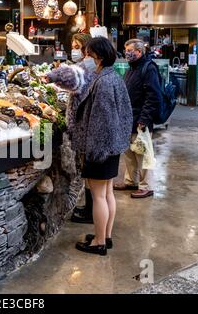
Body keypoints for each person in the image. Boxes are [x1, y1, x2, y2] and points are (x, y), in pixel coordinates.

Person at [51, 37, 132, 255]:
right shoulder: (113, 77)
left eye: (88, 53)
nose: (85, 57)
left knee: (98, 196)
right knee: (107, 194)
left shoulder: (103, 82)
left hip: (100, 147)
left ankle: (98, 242)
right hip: (112, 146)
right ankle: (106, 235)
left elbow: (101, 120)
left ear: (98, 56)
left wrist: (95, 150)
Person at [47, 33, 95, 224]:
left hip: (84, 123)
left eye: (76, 45)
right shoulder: (91, 65)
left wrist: (50, 76)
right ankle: (90, 207)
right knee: (89, 173)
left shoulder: (87, 65)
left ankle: (91, 211)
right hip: (86, 122)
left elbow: (68, 76)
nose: (73, 48)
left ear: (85, 47)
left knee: (89, 171)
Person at [115, 38, 162, 198]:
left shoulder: (148, 69)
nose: (127, 53)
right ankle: (131, 181)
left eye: (130, 51)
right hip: (129, 119)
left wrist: (144, 119)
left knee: (143, 154)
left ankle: (146, 186)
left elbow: (153, 96)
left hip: (141, 120)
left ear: (139, 52)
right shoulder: (132, 68)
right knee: (130, 154)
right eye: (125, 50)